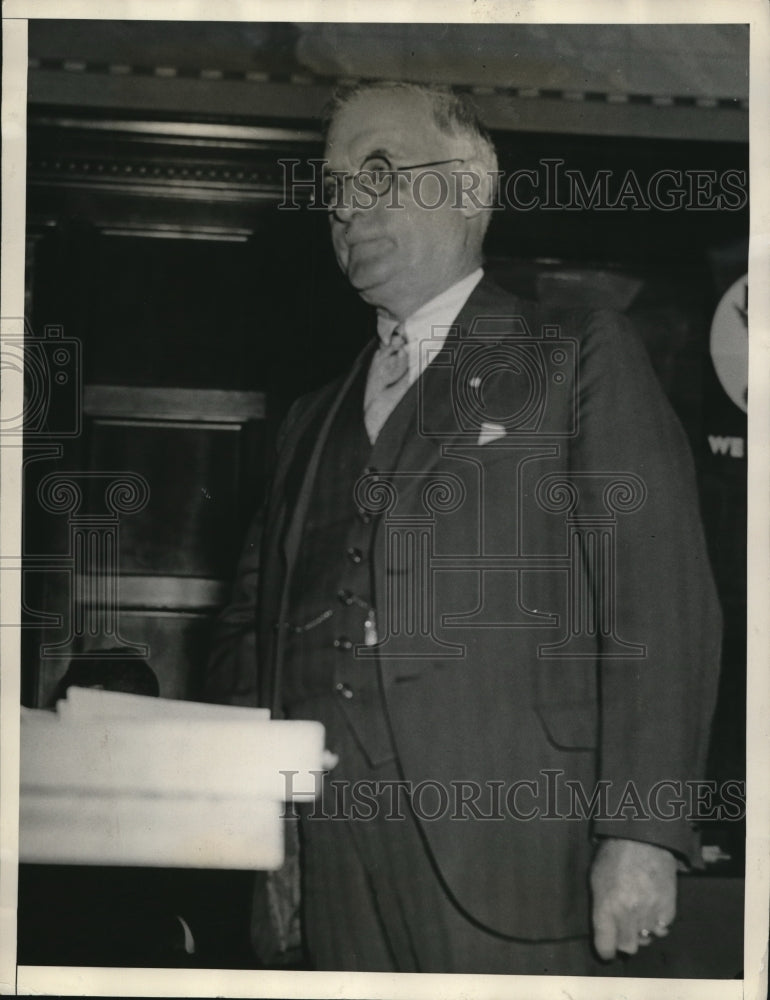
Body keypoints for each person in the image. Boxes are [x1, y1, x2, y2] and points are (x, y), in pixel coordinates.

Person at [206, 82, 722, 975]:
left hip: (523, 861)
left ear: (469, 191)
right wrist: (263, 822)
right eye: (332, 188)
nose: (345, 209)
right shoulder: (310, 419)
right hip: (329, 868)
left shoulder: (575, 353)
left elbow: (658, 601)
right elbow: (249, 638)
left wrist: (642, 832)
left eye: (377, 172)